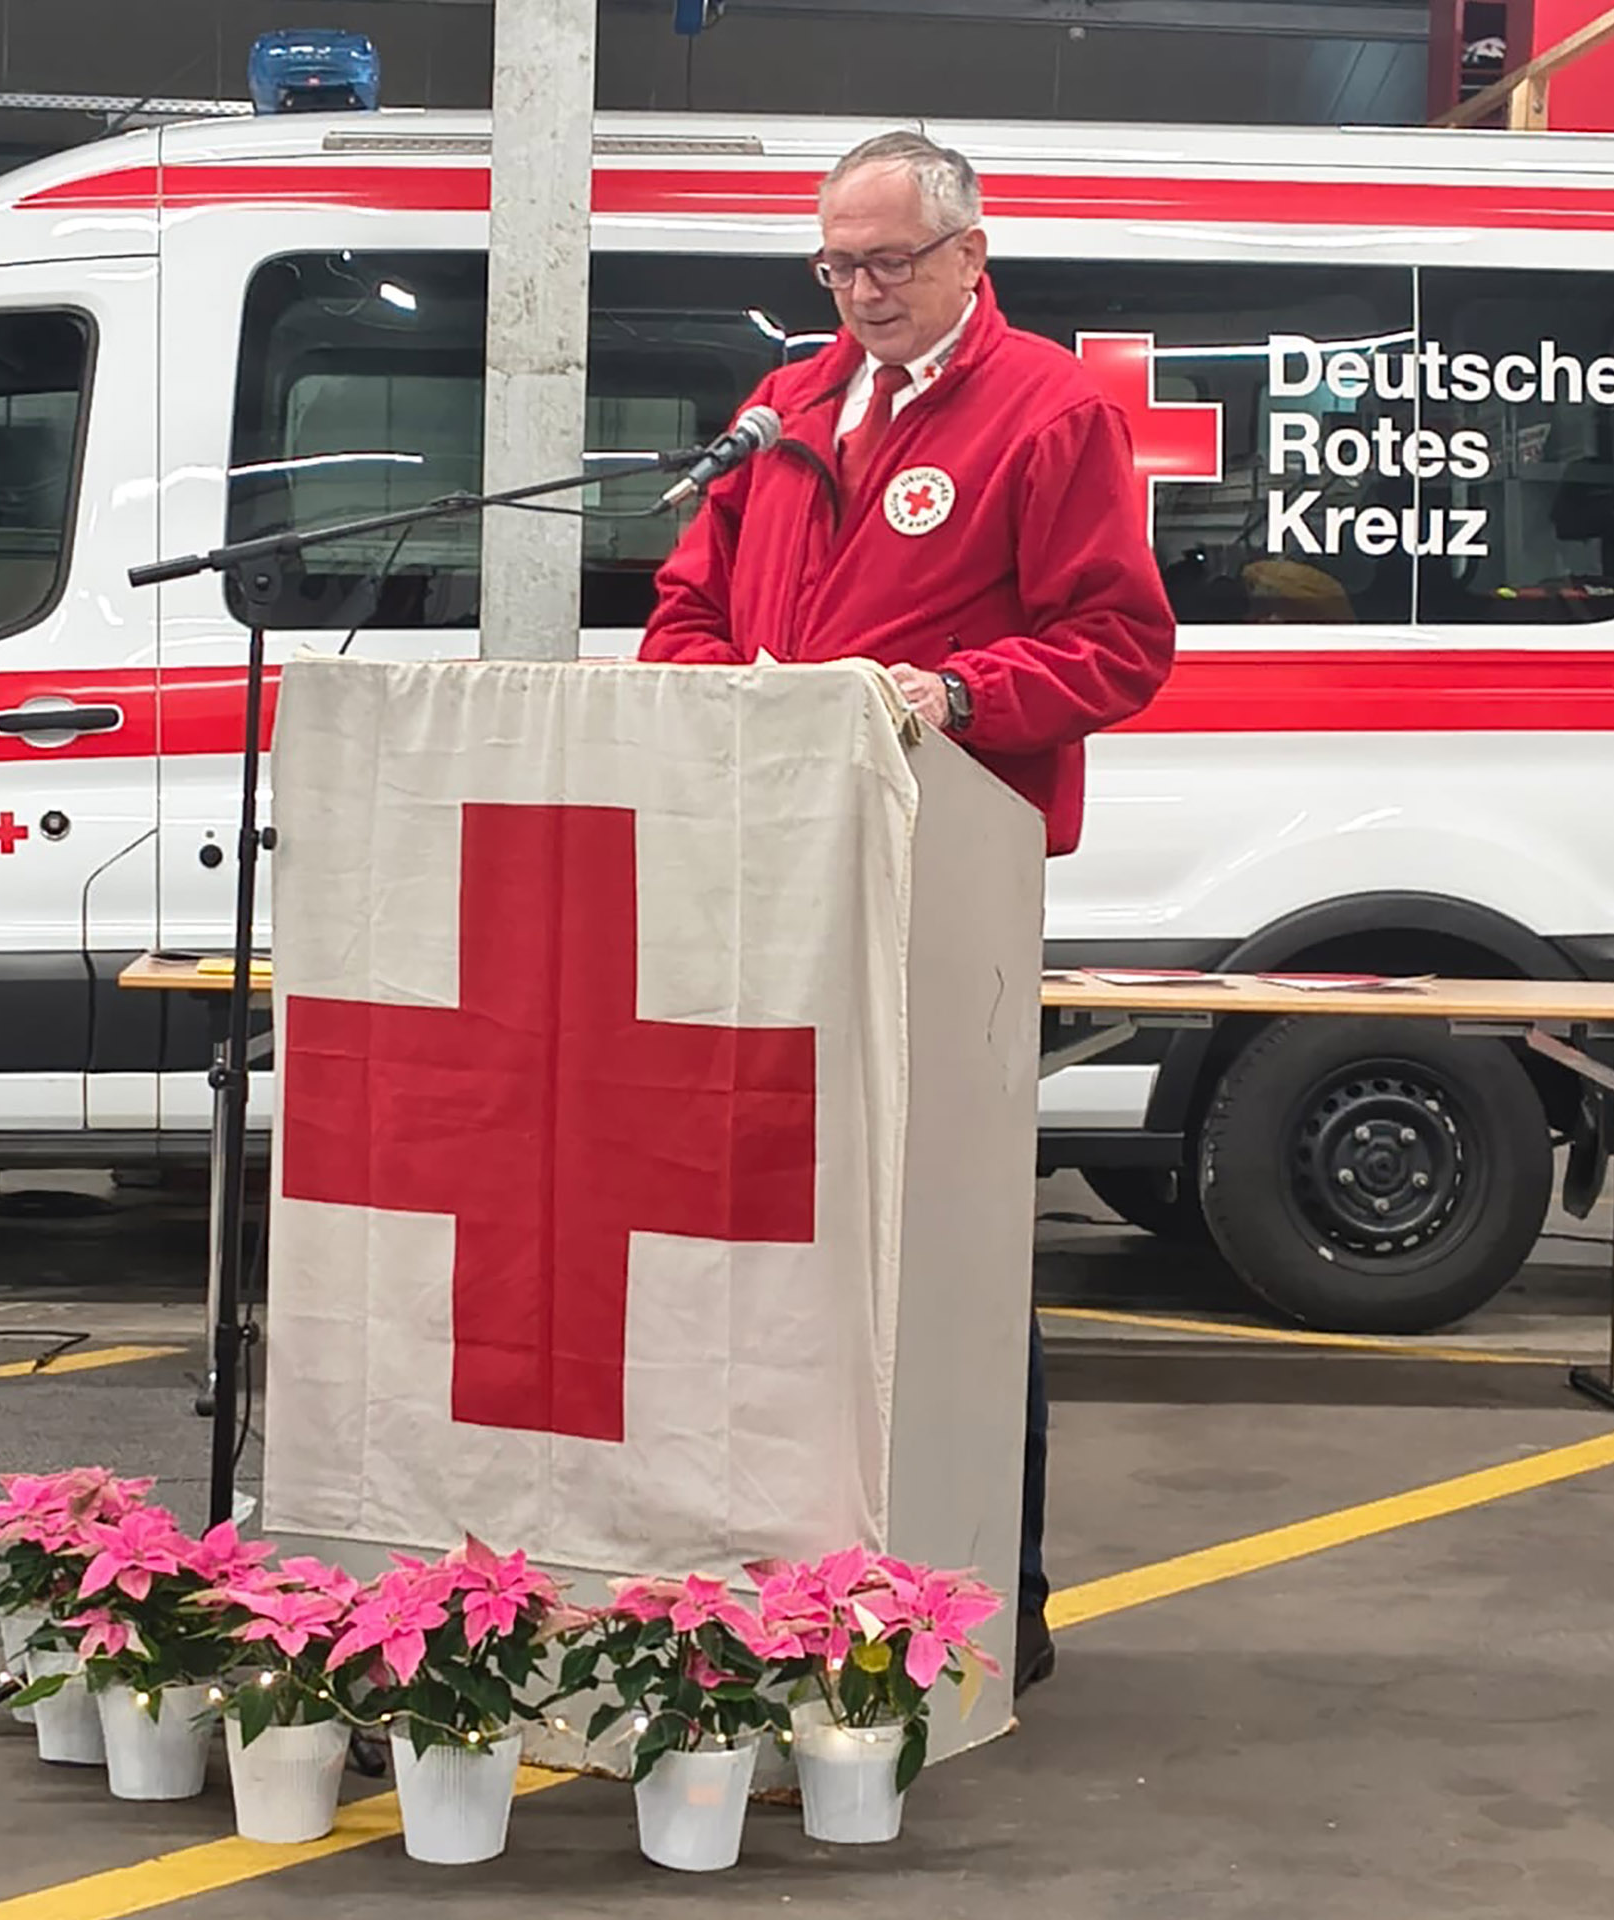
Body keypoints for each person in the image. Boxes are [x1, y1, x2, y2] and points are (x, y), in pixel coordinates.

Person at [638, 128, 1176, 1695]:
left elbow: (1119, 646)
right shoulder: (782, 409)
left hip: (942, 875)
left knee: (935, 1253)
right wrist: (711, 701)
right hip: (763, 868)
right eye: (831, 264)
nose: (855, 291)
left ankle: (988, 1601)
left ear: (965, 253)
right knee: (775, 1247)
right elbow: (683, 603)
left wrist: (944, 693)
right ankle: (776, 1585)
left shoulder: (1051, 410)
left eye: (882, 262)